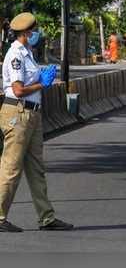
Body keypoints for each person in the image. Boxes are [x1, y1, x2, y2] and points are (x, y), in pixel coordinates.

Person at [0, 12, 73, 232]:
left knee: (36, 169)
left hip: (32, 114)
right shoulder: (16, 55)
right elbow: (18, 90)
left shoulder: (28, 53)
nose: (36, 35)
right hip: (18, 113)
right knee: (11, 167)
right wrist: (42, 83)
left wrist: (40, 77)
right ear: (27, 32)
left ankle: (46, 217)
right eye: (34, 31)